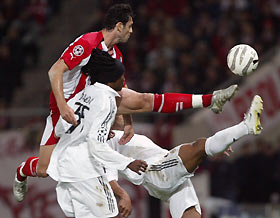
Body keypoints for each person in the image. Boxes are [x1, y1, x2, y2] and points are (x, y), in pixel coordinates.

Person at [13, 3, 238, 203]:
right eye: (129, 26)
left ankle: (210, 99)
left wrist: (128, 122)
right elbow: (54, 72)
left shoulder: (116, 56)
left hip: (90, 104)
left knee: (143, 99)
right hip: (64, 110)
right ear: (118, 26)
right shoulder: (87, 43)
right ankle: (22, 171)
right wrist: (62, 106)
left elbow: (121, 89)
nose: (132, 30)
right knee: (45, 169)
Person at [107, 95, 263, 218]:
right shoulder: (101, 143)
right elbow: (108, 176)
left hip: (162, 172)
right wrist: (123, 195)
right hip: (156, 173)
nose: (118, 114)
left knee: (190, 213)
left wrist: (216, 145)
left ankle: (219, 142)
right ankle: (246, 127)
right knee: (199, 146)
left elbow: (124, 108)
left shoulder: (119, 133)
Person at [47, 49, 148, 218]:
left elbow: (58, 129)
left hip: (65, 169)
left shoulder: (83, 94)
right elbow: (96, 146)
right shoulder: (107, 101)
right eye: (121, 76)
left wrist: (88, 130)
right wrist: (127, 163)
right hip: (86, 171)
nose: (124, 80)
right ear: (110, 81)